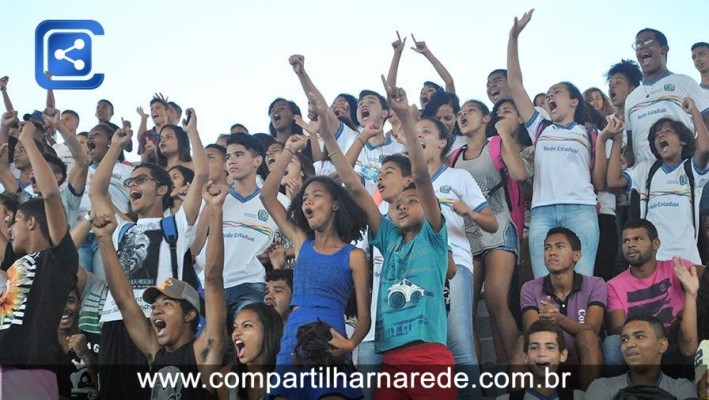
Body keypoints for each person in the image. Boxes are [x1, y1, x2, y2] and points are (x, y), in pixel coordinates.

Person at [318, 78, 456, 399]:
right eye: (398, 205)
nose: (403, 206)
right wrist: (326, 133)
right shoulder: (388, 236)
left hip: (429, 356)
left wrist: (406, 119)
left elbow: (421, 176)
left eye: (411, 201)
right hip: (390, 359)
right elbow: (353, 184)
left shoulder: (434, 235)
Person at [90, 111, 207, 399]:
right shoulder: (122, 230)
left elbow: (202, 174)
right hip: (113, 321)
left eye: (140, 180)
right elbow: (97, 191)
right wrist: (116, 146)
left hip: (152, 323)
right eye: (129, 183)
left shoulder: (176, 224)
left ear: (162, 189)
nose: (132, 187)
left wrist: (191, 132)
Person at [260, 105, 370, 398]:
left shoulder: (354, 255)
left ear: (335, 204)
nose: (307, 202)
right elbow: (267, 196)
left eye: (316, 196)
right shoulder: (300, 240)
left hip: (332, 334)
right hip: (294, 332)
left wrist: (349, 344)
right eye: (305, 198)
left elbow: (364, 316)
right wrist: (288, 152)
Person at [94, 179, 228, 399]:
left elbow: (213, 280)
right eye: (155, 305)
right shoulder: (155, 354)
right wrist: (105, 240)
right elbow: (125, 301)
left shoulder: (203, 353)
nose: (156, 310)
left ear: (190, 314)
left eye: (167, 304)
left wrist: (215, 209)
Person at [507, 9, 605, 277]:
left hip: (581, 210)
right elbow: (515, 84)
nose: (550, 95)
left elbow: (600, 180)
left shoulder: (589, 132)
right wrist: (513, 37)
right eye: (548, 93)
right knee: (543, 285)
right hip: (542, 212)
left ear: (574, 101)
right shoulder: (540, 127)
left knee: (581, 282)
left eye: (557, 92)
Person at [0, 122, 78, 399]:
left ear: (32, 222)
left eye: (17, 221)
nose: (10, 228)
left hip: (31, 370)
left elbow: (50, 194)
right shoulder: (13, 263)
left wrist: (28, 141)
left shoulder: (58, 257)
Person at [449, 98, 527, 364]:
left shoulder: (495, 145)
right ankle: (476, 383)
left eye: (470, 110)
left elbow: (519, 174)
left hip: (499, 227)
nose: (463, 115)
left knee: (495, 299)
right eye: (460, 112)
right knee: (465, 310)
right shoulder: (454, 157)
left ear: (485, 118)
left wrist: (504, 133)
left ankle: (514, 375)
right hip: (467, 235)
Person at [605, 98, 709, 264]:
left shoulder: (691, 169)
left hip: (687, 260)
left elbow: (704, 148)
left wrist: (694, 111)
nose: (661, 135)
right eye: (656, 135)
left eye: (668, 131)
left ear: (682, 140)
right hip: (653, 262)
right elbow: (612, 181)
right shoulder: (646, 170)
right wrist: (617, 140)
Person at [603, 219, 702, 378]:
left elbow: (704, 276)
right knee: (612, 344)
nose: (631, 245)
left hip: (678, 345)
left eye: (638, 239)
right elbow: (618, 329)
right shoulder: (613, 285)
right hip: (640, 350)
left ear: (656, 244)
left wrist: (694, 289)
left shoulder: (676, 267)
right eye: (626, 241)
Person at [518, 227, 605, 390]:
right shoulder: (529, 288)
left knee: (587, 337)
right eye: (547, 247)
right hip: (546, 360)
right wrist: (544, 322)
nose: (552, 252)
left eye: (560, 246)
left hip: (582, 359)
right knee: (522, 341)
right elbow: (532, 333)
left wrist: (559, 319)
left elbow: (592, 330)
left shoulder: (595, 284)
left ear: (576, 255)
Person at [625, 28, 709, 165]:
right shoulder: (631, 99)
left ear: (664, 49)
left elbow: (707, 121)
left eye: (647, 41)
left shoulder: (685, 82)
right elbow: (630, 146)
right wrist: (624, 159)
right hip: (643, 180)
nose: (642, 47)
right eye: (638, 45)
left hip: (683, 175)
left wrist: (697, 158)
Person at [585, 315, 698, 400]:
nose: (629, 344)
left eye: (640, 336)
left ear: (662, 345)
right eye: (624, 339)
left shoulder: (681, 387)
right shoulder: (602, 387)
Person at [498, 320, 584, 400]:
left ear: (563, 355)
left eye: (550, 347)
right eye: (534, 348)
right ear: (525, 356)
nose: (541, 353)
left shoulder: (579, 397)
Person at [217, 302, 284, 400]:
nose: (236, 333)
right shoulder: (225, 376)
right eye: (235, 327)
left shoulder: (287, 378)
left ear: (268, 331)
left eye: (247, 325)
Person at [385, 31, 455, 110]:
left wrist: (427, 53)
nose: (424, 93)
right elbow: (390, 91)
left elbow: (449, 82)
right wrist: (397, 53)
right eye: (422, 92)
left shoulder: (447, 111)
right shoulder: (415, 116)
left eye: (430, 90)